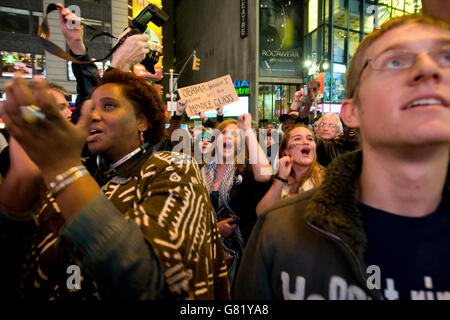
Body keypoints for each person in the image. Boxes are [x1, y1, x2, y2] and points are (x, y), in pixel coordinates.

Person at [234, 14, 450, 300]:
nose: (428, 68)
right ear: (352, 112)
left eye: (446, 57)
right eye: (395, 61)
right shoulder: (280, 232)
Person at [0, 69, 230, 300]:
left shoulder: (173, 167)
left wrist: (64, 168)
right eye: (89, 109)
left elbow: (145, 282)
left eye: (108, 106)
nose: (93, 115)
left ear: (142, 121)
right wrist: (21, 180)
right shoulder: (66, 174)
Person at [200, 115, 272, 286]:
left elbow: (264, 175)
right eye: (225, 133)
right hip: (204, 250)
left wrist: (247, 130)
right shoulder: (201, 170)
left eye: (235, 135)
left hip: (241, 253)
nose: (229, 138)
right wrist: (215, 229)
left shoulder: (245, 170)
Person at [256, 124, 325, 216]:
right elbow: (262, 214)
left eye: (310, 139)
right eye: (297, 139)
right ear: (286, 151)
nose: (306, 142)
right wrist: (281, 178)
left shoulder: (328, 179)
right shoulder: (274, 177)